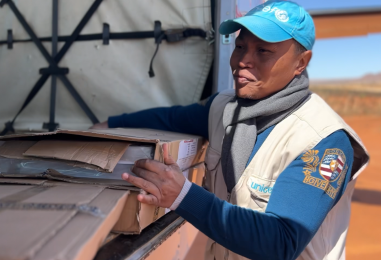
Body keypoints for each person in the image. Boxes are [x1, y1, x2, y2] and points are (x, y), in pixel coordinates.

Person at [92, 1, 369, 259]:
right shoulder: (224, 108)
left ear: (301, 63)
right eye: (240, 47)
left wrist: (183, 196)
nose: (242, 61)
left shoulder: (324, 141)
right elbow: (171, 118)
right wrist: (111, 123)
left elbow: (281, 242)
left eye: (263, 51)